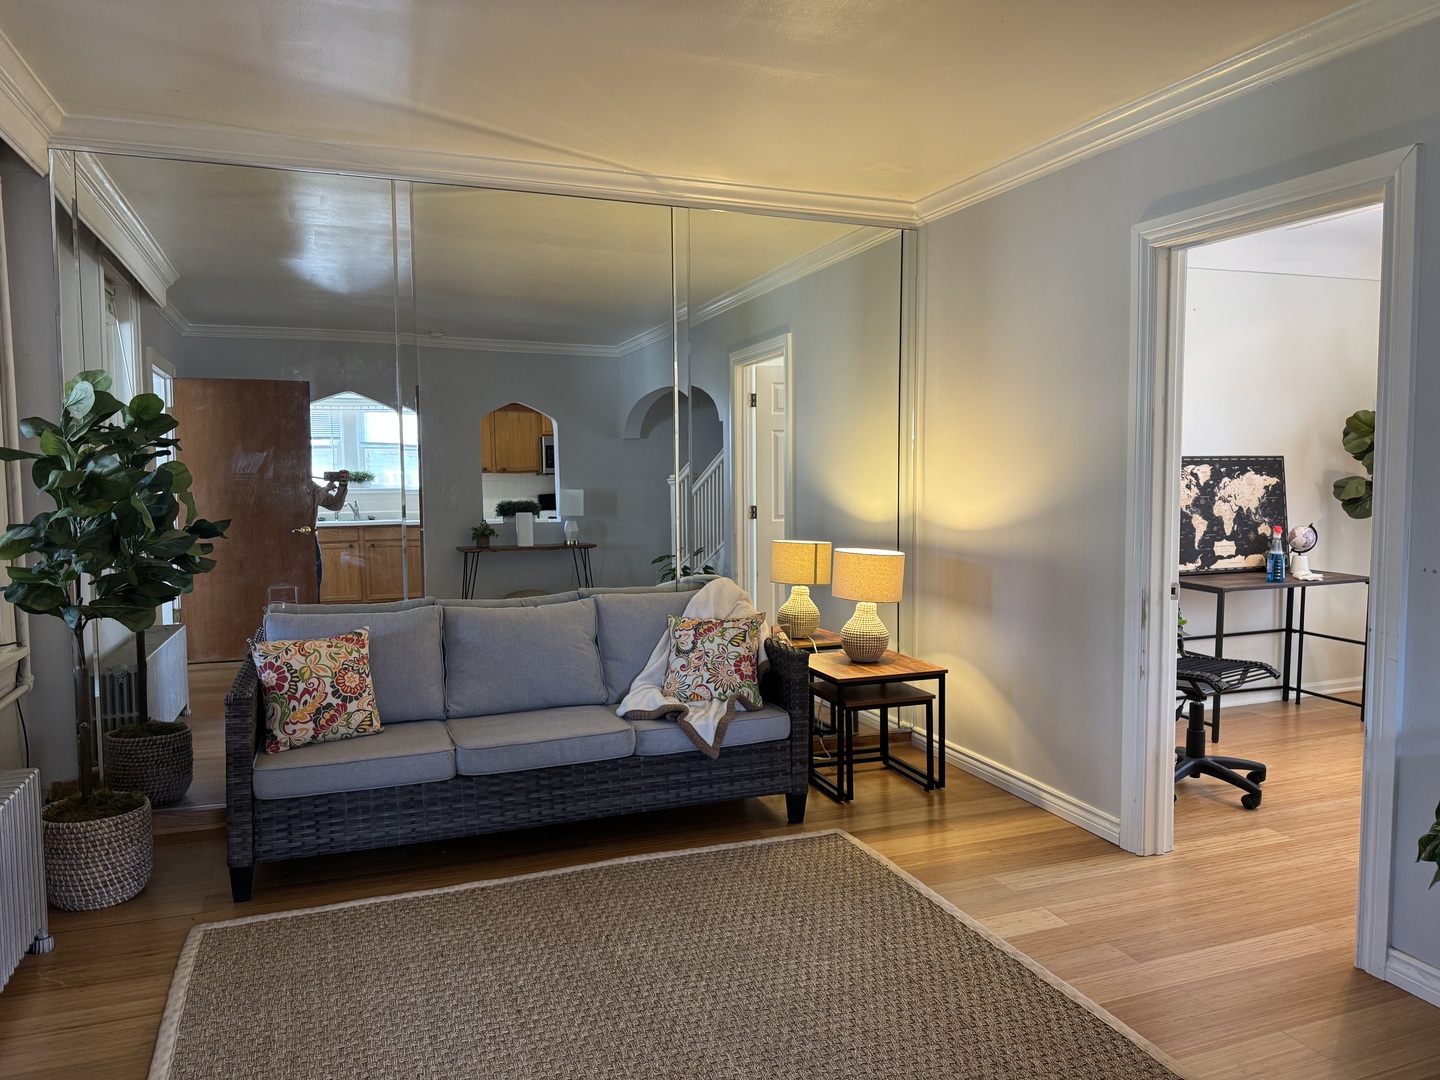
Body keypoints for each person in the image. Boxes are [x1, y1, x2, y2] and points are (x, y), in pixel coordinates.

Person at [312, 470, 349, 591]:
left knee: (315, 579)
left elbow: (335, 505)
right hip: (295, 537)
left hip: (310, 537)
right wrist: (325, 489)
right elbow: (306, 502)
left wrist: (342, 485)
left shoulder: (310, 485)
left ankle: (314, 608)